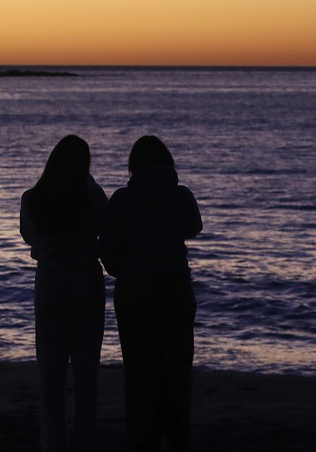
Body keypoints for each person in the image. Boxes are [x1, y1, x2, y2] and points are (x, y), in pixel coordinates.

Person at [99, 135, 203, 450]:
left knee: (140, 368)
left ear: (133, 166)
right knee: (176, 366)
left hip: (135, 290)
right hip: (174, 286)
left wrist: (122, 269)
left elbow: (107, 248)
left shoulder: (122, 199)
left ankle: (143, 437)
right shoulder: (181, 196)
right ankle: (178, 435)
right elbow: (193, 227)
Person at [20, 135, 109, 452]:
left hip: (51, 281)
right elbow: (107, 229)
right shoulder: (92, 195)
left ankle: (52, 444)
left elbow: (29, 238)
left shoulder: (33, 198)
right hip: (85, 278)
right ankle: (84, 442)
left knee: (51, 373)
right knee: (86, 374)